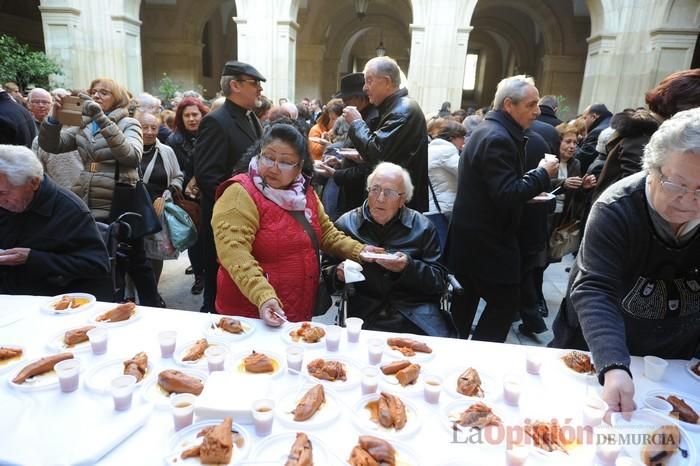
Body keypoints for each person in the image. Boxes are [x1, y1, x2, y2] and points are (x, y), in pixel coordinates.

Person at [550, 108, 700, 416]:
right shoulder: (616, 208)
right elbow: (595, 289)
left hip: (675, 364)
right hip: (600, 354)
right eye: (676, 185)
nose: (688, 202)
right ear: (652, 168)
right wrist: (614, 365)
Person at [212, 123, 378, 325]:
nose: (273, 167)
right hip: (251, 312)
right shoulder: (239, 194)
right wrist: (264, 296)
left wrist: (362, 251)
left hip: (298, 306)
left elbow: (326, 234)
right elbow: (235, 255)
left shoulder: (303, 192)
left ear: (299, 166)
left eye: (285, 162)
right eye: (268, 157)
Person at [446, 75, 559, 342]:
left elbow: (493, 189)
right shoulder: (498, 136)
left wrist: (527, 192)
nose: (537, 111)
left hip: (474, 240)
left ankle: (456, 352)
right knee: (505, 303)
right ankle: (481, 358)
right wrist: (542, 173)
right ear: (509, 105)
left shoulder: (490, 130)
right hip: (487, 242)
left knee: (464, 305)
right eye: (531, 105)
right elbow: (507, 193)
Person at [38, 77, 161, 306]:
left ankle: (153, 304)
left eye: (104, 92)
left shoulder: (128, 123)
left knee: (134, 259)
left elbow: (132, 156)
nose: (96, 96)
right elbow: (52, 145)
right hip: (88, 198)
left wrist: (102, 119)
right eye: (94, 92)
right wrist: (54, 117)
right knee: (105, 257)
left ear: (117, 98)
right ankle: (111, 305)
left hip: (121, 200)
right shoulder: (84, 125)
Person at [324, 162, 454, 336]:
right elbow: (325, 274)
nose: (380, 198)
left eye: (390, 192)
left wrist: (407, 267)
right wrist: (337, 273)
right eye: (375, 189)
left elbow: (438, 281)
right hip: (365, 312)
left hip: (417, 313)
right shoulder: (346, 224)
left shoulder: (423, 227)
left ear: (403, 199)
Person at [194, 60, 266, 313]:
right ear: (235, 85)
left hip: (250, 215)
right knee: (218, 282)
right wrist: (241, 202)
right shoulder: (216, 121)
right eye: (254, 83)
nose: (259, 89)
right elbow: (207, 175)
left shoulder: (251, 118)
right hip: (226, 218)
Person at [0, 145, 110, 297]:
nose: (1, 200)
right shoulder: (8, 204)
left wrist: (34, 258)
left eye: (3, 193)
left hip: (52, 301)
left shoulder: (70, 211)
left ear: (33, 183)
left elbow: (97, 265)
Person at [343, 56, 429, 212]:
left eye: (369, 81)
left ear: (387, 82)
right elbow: (391, 154)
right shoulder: (396, 108)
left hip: (397, 205)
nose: (364, 88)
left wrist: (357, 123)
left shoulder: (401, 111)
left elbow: (377, 152)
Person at [135, 111, 184, 285]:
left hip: (158, 211)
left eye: (153, 127)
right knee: (133, 253)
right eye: (144, 127)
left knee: (155, 255)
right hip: (134, 210)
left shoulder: (167, 151)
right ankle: (130, 294)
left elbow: (178, 176)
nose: (149, 131)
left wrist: (168, 192)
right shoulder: (127, 149)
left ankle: (153, 291)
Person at [167, 96, 209, 294]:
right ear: (181, 118)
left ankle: (209, 272)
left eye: (195, 114)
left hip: (210, 191)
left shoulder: (210, 135)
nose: (192, 119)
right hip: (189, 196)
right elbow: (176, 169)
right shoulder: (174, 140)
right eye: (187, 115)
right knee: (195, 238)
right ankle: (199, 275)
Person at [427, 119, 465, 215]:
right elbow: (466, 173)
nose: (464, 141)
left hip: (433, 204)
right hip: (446, 206)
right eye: (462, 137)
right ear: (453, 137)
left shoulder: (432, 149)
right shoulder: (447, 151)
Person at [576, 103, 612, 173]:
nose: (584, 122)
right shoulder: (611, 123)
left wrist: (576, 143)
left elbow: (583, 159)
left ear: (594, 117)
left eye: (585, 118)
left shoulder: (597, 131)